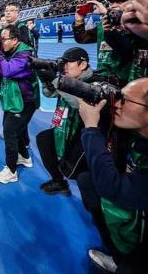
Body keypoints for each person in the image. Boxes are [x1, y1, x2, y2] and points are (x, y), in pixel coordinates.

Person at [76, 77, 148, 273]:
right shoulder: (141, 132)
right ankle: (119, 257)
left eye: (124, 100)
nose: (116, 104)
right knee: (87, 181)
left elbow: (111, 187)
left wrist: (91, 127)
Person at [35, 47, 100, 195]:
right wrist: (44, 79)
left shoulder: (94, 83)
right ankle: (58, 181)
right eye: (62, 63)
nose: (64, 67)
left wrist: (57, 81)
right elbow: (48, 94)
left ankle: (96, 203)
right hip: (64, 128)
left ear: (83, 65)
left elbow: (79, 104)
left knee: (79, 174)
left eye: (68, 63)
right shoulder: (67, 78)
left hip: (83, 136)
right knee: (43, 140)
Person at [0, 25, 39, 183]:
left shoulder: (25, 54)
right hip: (15, 100)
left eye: (4, 39)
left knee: (9, 133)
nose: (1, 42)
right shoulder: (13, 51)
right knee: (15, 132)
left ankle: (11, 171)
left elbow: (7, 70)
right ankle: (24, 157)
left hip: (24, 102)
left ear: (15, 40)